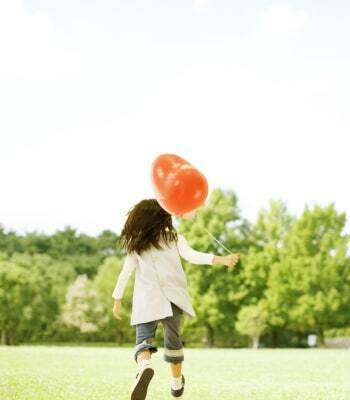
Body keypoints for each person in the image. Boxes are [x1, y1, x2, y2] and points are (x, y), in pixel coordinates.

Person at [112, 199, 239, 400]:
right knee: (173, 343)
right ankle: (176, 382)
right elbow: (192, 256)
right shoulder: (174, 238)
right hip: (173, 298)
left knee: (143, 340)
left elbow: (125, 272)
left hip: (147, 299)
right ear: (164, 217)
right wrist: (221, 259)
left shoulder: (137, 242)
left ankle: (145, 367)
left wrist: (117, 298)